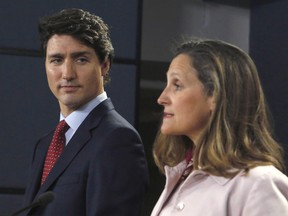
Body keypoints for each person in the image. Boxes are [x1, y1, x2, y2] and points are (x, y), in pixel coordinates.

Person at [22, 8, 149, 216]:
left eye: (81, 59)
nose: (67, 74)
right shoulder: (45, 144)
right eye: (56, 60)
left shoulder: (118, 139)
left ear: (104, 65)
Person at [151, 39, 288, 216]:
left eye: (177, 85)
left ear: (215, 95)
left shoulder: (260, 184)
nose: (162, 98)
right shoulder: (180, 177)